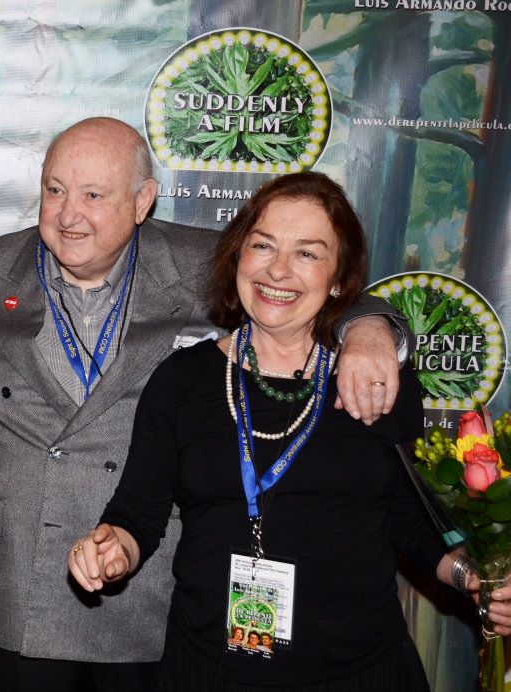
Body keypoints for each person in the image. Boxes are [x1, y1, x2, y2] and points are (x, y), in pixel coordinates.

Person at [0, 117, 411, 692]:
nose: (68, 214)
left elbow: (304, 281)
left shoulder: (203, 263)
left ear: (143, 201)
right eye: (55, 190)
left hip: (148, 601)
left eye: (94, 195)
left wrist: (372, 328)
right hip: (17, 587)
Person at [67, 171, 511, 691]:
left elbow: (409, 521)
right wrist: (112, 548)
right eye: (262, 245)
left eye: (308, 253)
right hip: (210, 673)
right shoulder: (181, 381)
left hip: (362, 675)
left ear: (340, 278)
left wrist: (474, 577)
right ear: (237, 256)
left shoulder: (374, 381)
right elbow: (137, 514)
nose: (278, 269)